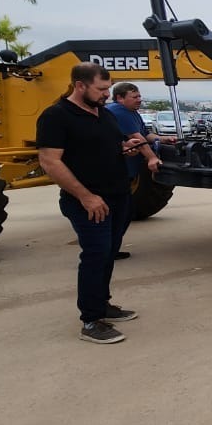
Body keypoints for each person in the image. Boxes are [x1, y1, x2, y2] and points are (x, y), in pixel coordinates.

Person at [37, 63, 144, 344]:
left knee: (109, 252)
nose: (106, 94)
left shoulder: (103, 114)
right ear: (80, 85)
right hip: (88, 201)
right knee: (95, 255)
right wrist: (85, 196)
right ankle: (91, 320)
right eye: (101, 89)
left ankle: (102, 304)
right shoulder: (56, 116)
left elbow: (108, 144)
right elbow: (50, 161)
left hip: (117, 196)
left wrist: (124, 148)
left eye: (108, 89)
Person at [105, 82, 176, 259]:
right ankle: (107, 251)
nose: (139, 100)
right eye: (134, 97)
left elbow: (145, 134)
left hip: (125, 173)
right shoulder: (119, 111)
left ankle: (111, 250)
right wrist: (152, 158)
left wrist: (164, 138)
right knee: (118, 212)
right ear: (120, 98)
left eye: (139, 96)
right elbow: (137, 139)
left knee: (124, 212)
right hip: (115, 173)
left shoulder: (131, 113)